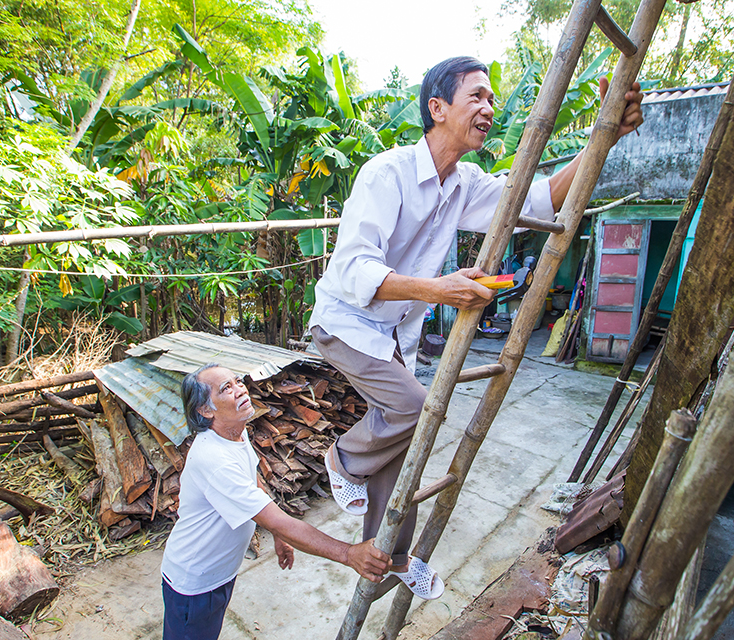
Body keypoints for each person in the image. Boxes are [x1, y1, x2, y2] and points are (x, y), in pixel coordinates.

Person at [308, 56, 644, 599]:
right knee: (415, 407)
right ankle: (342, 458)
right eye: (477, 97)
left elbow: (538, 198)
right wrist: (439, 288)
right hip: (345, 322)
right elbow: (350, 270)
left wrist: (604, 138)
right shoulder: (386, 173)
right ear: (437, 108)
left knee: (405, 450)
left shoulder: (463, 182)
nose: (489, 108)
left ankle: (390, 558)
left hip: (393, 335)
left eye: (493, 99)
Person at [160, 363, 391, 640]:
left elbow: (252, 479)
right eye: (226, 388)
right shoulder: (213, 459)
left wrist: (278, 534)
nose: (240, 389)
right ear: (206, 410)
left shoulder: (236, 433)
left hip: (218, 574)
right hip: (195, 584)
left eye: (237, 381)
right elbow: (278, 520)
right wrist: (348, 553)